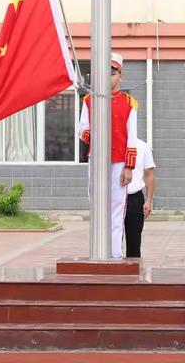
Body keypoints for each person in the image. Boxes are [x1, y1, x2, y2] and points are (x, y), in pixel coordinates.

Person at [79, 52, 138, 258]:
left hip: (120, 162)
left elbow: (132, 137)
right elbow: (82, 129)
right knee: (96, 205)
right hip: (96, 160)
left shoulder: (130, 103)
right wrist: (94, 134)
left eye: (112, 73)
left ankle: (114, 253)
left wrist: (129, 167)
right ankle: (97, 251)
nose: (108, 77)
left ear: (120, 75)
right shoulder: (88, 100)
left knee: (117, 207)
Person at [125, 139, 156, 257]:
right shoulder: (110, 144)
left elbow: (149, 175)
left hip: (134, 198)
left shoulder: (142, 146)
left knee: (134, 244)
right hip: (114, 198)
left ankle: (132, 274)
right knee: (112, 244)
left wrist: (148, 200)